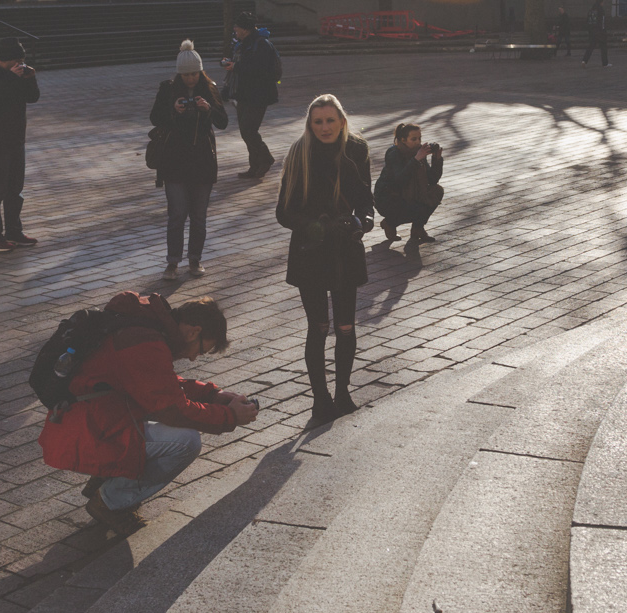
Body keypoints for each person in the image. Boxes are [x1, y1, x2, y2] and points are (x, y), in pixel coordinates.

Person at [38, 292, 254, 526]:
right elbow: (174, 410)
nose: (193, 358)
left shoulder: (147, 327)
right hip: (86, 434)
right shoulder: (145, 342)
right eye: (201, 350)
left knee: (164, 420)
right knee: (186, 442)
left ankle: (106, 479)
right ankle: (110, 501)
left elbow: (158, 384)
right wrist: (230, 416)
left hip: (87, 419)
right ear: (194, 331)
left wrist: (213, 395)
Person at [276, 94, 375, 426]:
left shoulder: (357, 150)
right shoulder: (299, 152)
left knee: (346, 326)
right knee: (318, 327)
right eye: (317, 121)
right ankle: (320, 400)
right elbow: (284, 211)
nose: (324, 127)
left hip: (346, 249)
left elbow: (365, 200)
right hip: (311, 253)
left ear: (342, 121)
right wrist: (316, 227)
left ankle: (343, 392)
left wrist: (363, 222)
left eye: (330, 120)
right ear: (310, 124)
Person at [152, 40, 230, 279]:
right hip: (174, 162)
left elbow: (223, 122)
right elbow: (155, 118)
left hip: (202, 161)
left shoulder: (209, 88)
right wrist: (172, 110)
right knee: (177, 214)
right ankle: (173, 262)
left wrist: (208, 109)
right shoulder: (167, 89)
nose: (190, 79)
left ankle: (195, 259)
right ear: (179, 73)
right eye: (185, 75)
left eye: (194, 73)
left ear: (200, 71)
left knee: (198, 215)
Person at [0, 40, 40, 250]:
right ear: (7, 59)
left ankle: (14, 231)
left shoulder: (18, 74)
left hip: (16, 139)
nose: (21, 64)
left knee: (15, 189)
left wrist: (31, 79)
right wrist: (11, 78)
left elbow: (33, 97)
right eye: (18, 60)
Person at [224, 15, 282, 178]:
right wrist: (231, 64)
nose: (234, 30)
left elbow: (258, 69)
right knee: (245, 130)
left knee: (249, 130)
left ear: (245, 29)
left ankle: (265, 159)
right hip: (244, 93)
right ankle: (254, 165)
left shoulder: (261, 44)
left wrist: (236, 66)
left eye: (237, 27)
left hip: (259, 94)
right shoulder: (243, 44)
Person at [375, 122, 445, 250]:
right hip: (388, 198)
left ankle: (417, 229)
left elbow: (432, 180)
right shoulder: (394, 153)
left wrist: (437, 160)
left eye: (419, 138)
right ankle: (390, 222)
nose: (418, 142)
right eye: (414, 139)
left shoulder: (418, 153)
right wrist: (416, 160)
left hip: (406, 197)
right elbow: (398, 181)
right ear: (403, 140)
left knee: (436, 191)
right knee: (417, 207)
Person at [581, 0, 611, 67]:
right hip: (600, 32)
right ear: (601, 3)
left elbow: (588, 22)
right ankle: (605, 63)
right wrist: (603, 31)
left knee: (590, 47)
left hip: (592, 32)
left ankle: (584, 61)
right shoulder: (601, 10)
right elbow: (602, 22)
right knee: (603, 48)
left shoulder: (591, 11)